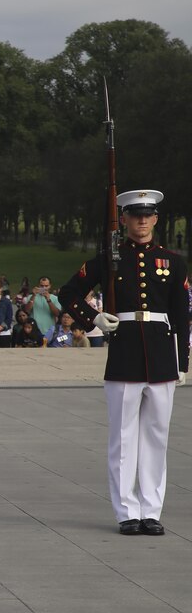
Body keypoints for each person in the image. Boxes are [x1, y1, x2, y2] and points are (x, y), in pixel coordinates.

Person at [58, 189, 188, 536]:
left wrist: (182, 362)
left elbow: (180, 314)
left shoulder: (173, 261)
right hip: (125, 353)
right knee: (123, 437)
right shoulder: (108, 259)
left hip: (161, 354)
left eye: (147, 215)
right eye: (135, 215)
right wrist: (94, 318)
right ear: (125, 220)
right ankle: (126, 511)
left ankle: (151, 510)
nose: (142, 221)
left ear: (156, 219)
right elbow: (67, 293)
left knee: (157, 437)